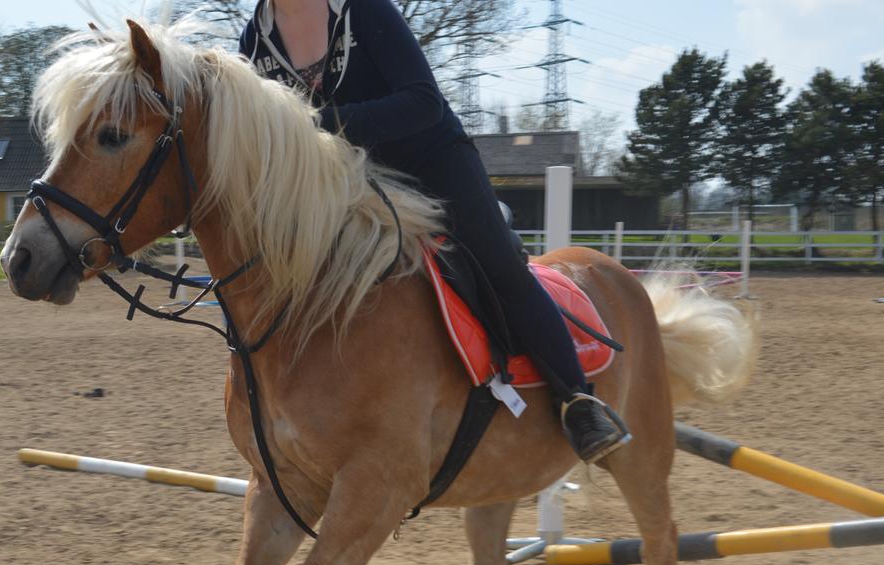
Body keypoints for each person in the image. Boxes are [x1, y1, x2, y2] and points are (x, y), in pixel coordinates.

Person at [240, 0, 630, 463]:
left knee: (500, 267)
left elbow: (422, 101)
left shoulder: (365, 11)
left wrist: (319, 125)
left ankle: (578, 401)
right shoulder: (254, 39)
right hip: (347, 182)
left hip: (432, 162)